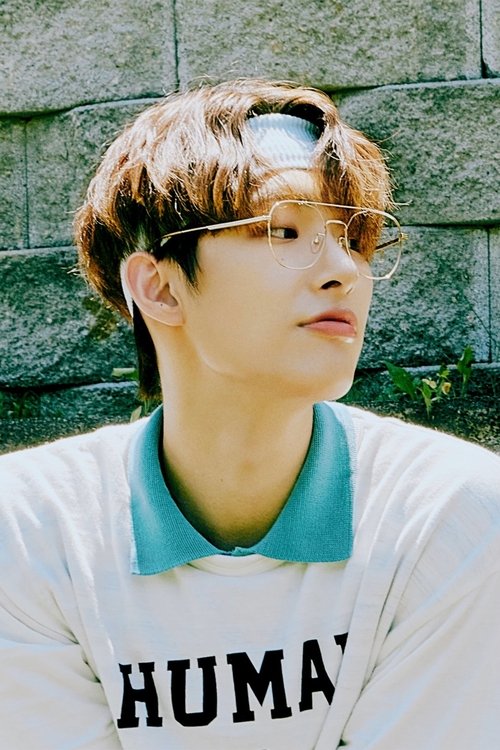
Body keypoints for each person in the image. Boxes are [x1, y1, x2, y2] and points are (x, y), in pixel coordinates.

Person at [0, 79, 499, 750]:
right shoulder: (29, 534)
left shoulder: (449, 516)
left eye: (352, 236)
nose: (343, 271)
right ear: (159, 287)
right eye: (282, 230)